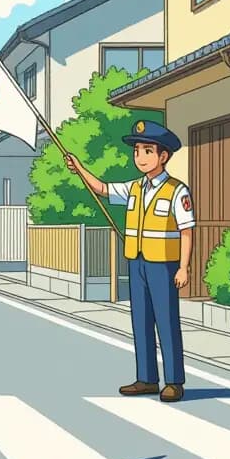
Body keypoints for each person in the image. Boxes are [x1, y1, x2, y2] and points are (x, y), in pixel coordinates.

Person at [65, 119, 195, 402]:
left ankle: (174, 381)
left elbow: (186, 230)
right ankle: (146, 378)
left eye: (147, 151)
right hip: (137, 263)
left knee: (167, 322)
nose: (140, 157)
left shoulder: (177, 190)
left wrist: (184, 267)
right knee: (141, 321)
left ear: (163, 156)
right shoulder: (134, 187)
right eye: (137, 151)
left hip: (163, 265)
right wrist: (79, 168)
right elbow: (102, 188)